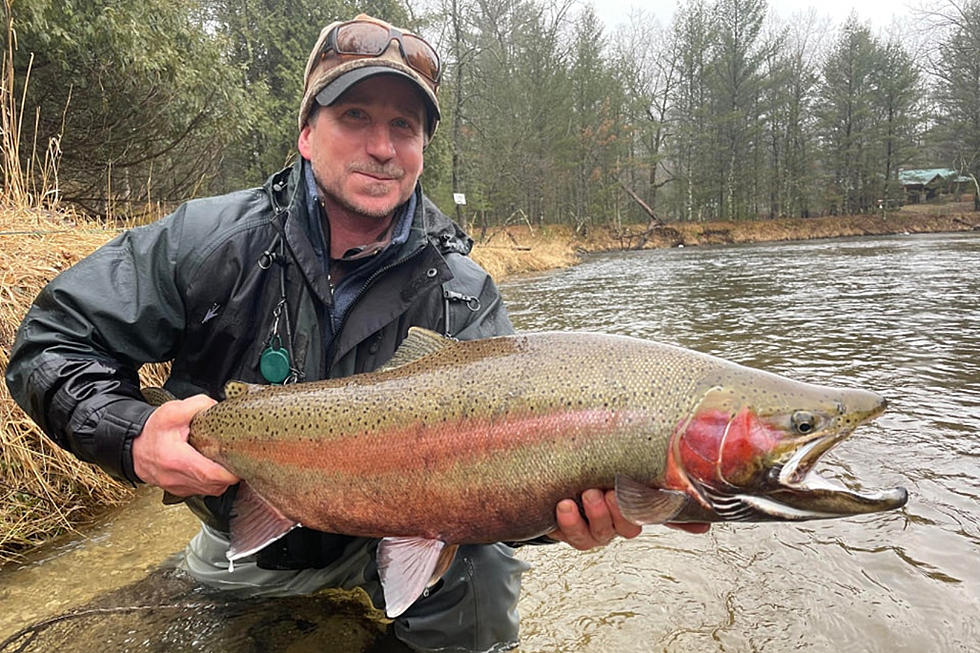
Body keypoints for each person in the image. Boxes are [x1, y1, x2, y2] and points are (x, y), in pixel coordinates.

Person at [5, 14, 705, 652]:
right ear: (308, 134)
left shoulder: (463, 294)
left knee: (487, 569)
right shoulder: (212, 242)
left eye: (405, 128)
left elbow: (509, 474)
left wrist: (559, 518)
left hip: (397, 544)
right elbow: (49, 341)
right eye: (356, 116)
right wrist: (131, 435)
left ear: (424, 149)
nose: (381, 146)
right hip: (255, 534)